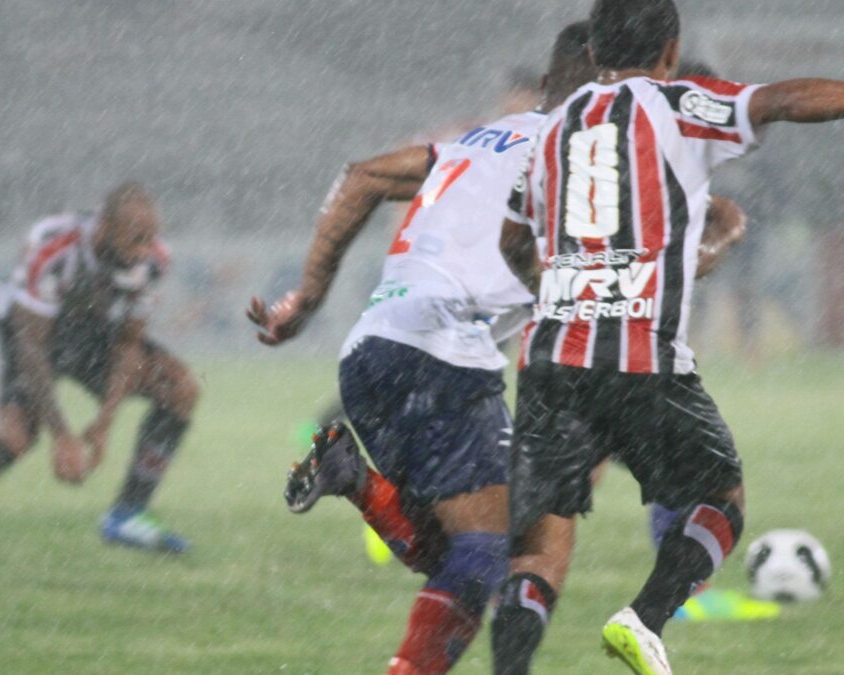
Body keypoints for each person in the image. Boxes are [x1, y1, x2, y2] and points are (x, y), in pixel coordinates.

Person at [248, 23, 746, 674]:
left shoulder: (476, 141)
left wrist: (304, 300)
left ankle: (356, 479)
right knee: (498, 550)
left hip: (372, 349)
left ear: (544, 85)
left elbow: (363, 175)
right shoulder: (590, 154)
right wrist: (720, 236)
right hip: (444, 356)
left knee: (461, 548)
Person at [490, 1, 844, 673]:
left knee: (536, 550)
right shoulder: (678, 104)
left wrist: (562, 281)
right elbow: (782, 99)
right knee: (722, 497)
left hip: (551, 359)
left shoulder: (548, 129)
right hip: (639, 354)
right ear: (671, 51)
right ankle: (643, 617)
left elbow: (512, 242)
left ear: (593, 52)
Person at [0, 182, 199, 566]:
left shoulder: (152, 261)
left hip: (92, 335)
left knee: (180, 389)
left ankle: (127, 515)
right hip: (30, 336)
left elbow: (127, 344)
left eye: (150, 239)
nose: (143, 251)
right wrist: (62, 435)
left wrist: (105, 419)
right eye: (135, 240)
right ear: (105, 228)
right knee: (16, 437)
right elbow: (31, 346)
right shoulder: (56, 250)